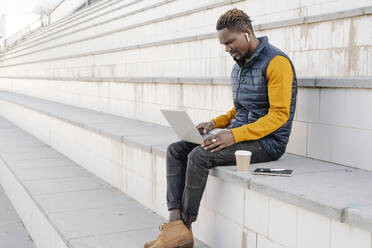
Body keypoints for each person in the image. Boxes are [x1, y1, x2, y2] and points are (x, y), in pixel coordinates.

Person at [144, 8, 297, 248]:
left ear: (246, 33)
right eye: (223, 44)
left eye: (229, 42)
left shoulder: (277, 63)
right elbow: (240, 110)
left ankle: (184, 230)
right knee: (176, 149)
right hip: (240, 136)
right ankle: (174, 224)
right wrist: (214, 124)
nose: (227, 48)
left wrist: (233, 134)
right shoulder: (238, 66)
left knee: (198, 156)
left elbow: (279, 115)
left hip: (267, 142)